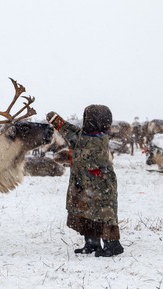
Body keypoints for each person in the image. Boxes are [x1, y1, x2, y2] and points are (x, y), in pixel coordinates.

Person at [46, 105, 124, 257]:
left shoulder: (99, 140)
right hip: (82, 184)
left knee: (104, 213)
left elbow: (86, 157)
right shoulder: (83, 135)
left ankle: (113, 245)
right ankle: (92, 243)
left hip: (101, 185)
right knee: (86, 212)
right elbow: (69, 131)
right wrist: (57, 121)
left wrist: (68, 156)